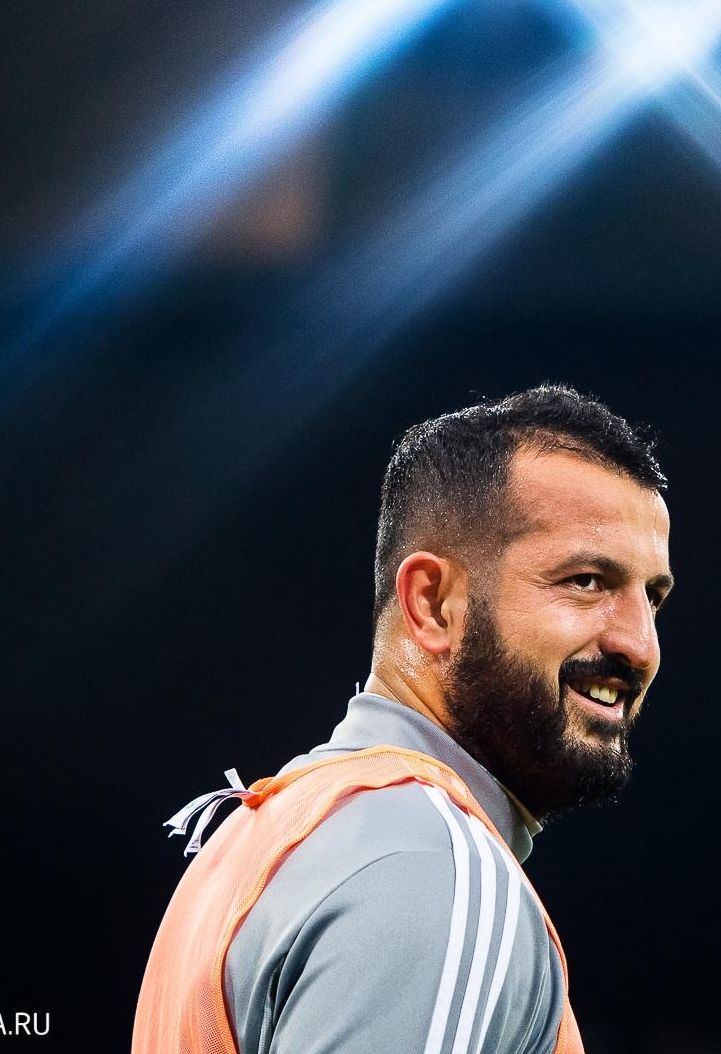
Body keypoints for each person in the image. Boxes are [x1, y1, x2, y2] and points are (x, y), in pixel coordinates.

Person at [132, 384, 674, 1054]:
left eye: (653, 596)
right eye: (586, 581)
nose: (640, 644)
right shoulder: (435, 871)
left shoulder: (270, 833)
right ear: (434, 603)